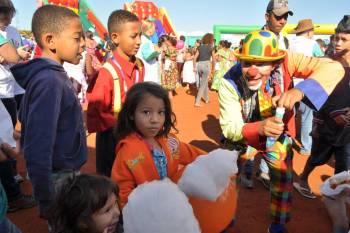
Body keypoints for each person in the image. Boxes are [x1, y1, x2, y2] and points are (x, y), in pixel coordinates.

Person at [219, 30, 344, 233]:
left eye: (260, 64)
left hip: (277, 137)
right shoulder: (228, 82)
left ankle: (277, 226)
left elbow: (334, 67)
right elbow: (229, 127)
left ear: (275, 62)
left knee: (283, 183)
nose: (252, 71)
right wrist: (258, 127)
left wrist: (299, 90)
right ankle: (223, 221)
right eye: (246, 63)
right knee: (228, 181)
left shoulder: (287, 60)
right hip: (242, 137)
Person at [10, 5, 87, 219]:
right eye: (77, 38)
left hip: (63, 173)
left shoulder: (52, 77)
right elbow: (37, 147)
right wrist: (47, 201)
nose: (83, 45)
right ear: (51, 40)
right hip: (58, 181)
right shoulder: (49, 81)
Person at [111, 82, 205, 209]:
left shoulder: (169, 141)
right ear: (131, 114)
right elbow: (123, 192)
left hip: (171, 207)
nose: (155, 119)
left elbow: (195, 155)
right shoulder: (127, 152)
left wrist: (217, 163)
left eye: (161, 112)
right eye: (146, 112)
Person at [293, 15, 350, 200]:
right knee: (317, 156)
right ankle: (302, 179)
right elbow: (313, 96)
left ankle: (335, 198)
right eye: (336, 38)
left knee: (344, 165)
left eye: (343, 39)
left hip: (347, 128)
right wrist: (333, 113)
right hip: (326, 123)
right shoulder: (328, 62)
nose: (337, 43)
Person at [240, 0, 294, 189]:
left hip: (277, 98)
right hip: (255, 97)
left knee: (275, 134)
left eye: (286, 16)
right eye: (278, 15)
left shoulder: (285, 40)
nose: (283, 20)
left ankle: (264, 171)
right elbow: (244, 71)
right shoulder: (254, 38)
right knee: (252, 136)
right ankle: (246, 171)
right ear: (267, 16)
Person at [86, 10, 144, 177]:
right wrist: (123, 123)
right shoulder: (107, 72)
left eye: (140, 36)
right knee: (111, 180)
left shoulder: (139, 66)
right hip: (112, 137)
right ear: (115, 37)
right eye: (134, 36)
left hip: (134, 134)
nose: (139, 41)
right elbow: (96, 112)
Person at [289, 18, 324, 157]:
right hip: (307, 85)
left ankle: (288, 141)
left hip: (290, 84)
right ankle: (305, 147)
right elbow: (321, 61)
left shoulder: (290, 43)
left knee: (290, 115)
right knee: (307, 118)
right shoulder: (312, 44)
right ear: (309, 32)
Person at [48, 173, 122, 233]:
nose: (117, 212)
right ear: (82, 222)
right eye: (107, 210)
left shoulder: (117, 228)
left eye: (116, 203)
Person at [193, 33, 215, 107]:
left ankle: (206, 99)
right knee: (203, 84)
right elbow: (214, 59)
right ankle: (197, 102)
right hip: (206, 64)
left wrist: (194, 67)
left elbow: (194, 58)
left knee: (204, 82)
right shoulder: (211, 47)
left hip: (199, 65)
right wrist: (213, 69)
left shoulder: (200, 47)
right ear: (211, 39)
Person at [137, 17, 160, 84]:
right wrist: (157, 52)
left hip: (146, 74)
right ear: (149, 30)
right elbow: (147, 57)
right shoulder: (145, 41)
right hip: (148, 75)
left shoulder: (145, 39)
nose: (155, 30)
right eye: (154, 28)